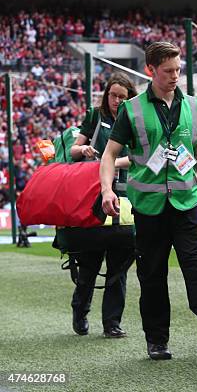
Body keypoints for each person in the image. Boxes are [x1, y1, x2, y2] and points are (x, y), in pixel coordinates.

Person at [100, 42, 197, 361]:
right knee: (152, 274)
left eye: (178, 70)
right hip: (149, 208)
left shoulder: (193, 105)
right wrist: (107, 189)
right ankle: (157, 339)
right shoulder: (131, 110)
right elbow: (109, 154)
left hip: (187, 204)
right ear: (150, 70)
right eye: (168, 71)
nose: (175, 76)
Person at [68, 72, 136, 338]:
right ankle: (80, 309)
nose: (117, 100)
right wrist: (84, 151)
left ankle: (112, 323)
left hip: (124, 199)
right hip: (92, 197)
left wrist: (108, 164)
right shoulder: (95, 117)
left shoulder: (135, 119)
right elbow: (74, 150)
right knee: (89, 262)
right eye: (113, 95)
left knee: (119, 267)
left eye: (122, 96)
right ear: (106, 95)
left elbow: (137, 158)